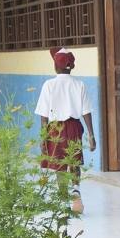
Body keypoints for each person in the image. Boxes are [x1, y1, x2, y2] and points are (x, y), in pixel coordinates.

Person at [35, 47, 96, 214]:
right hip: (74, 127)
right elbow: (86, 111)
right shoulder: (79, 84)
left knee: (59, 164)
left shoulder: (49, 85)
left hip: (55, 129)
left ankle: (63, 201)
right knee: (74, 161)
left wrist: (43, 137)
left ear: (56, 66)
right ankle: (76, 190)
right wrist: (91, 135)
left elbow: (44, 116)